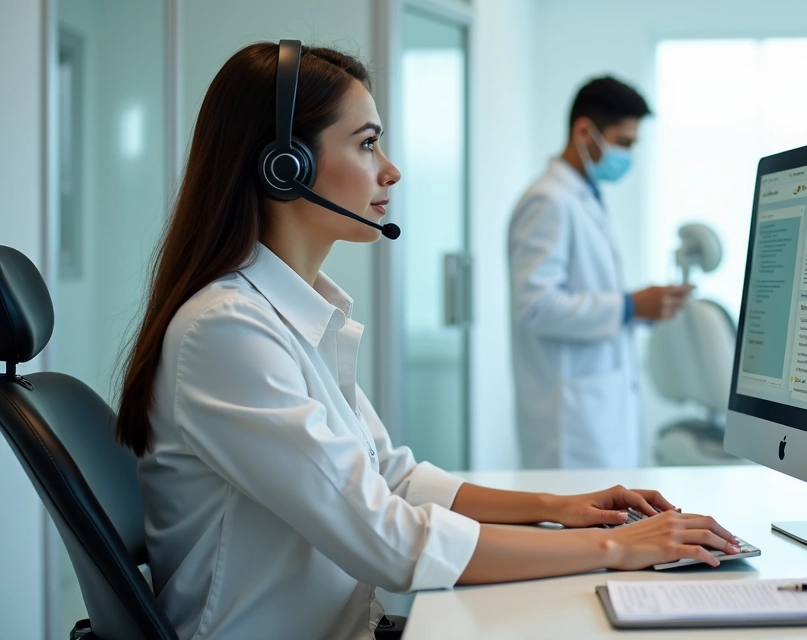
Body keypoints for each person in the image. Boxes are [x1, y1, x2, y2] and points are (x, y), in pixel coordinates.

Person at [114, 43, 736, 640]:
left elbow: (392, 477)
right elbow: (389, 540)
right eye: (367, 143)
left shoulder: (287, 316)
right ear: (286, 167)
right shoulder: (226, 332)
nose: (391, 168)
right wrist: (613, 547)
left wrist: (561, 506)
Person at [508, 77, 692, 470]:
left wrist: (641, 309)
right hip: (570, 425)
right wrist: (628, 306)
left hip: (597, 410)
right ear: (583, 132)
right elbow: (535, 306)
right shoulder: (548, 201)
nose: (628, 154)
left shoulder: (583, 196)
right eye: (623, 142)